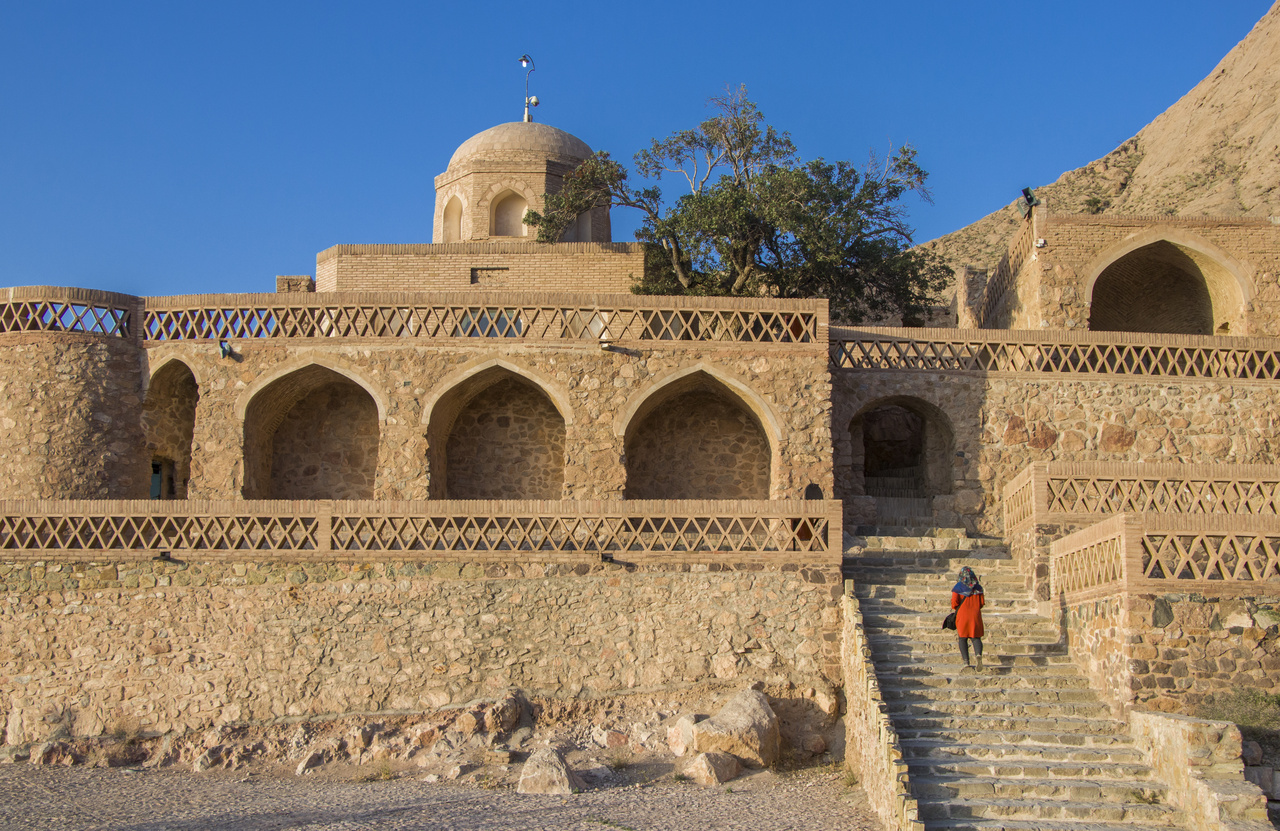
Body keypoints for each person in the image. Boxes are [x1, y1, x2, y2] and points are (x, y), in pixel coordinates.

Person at [951, 566, 985, 670]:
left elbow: (954, 603)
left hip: (962, 615)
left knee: (962, 638)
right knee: (976, 637)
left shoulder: (958, 587)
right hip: (975, 615)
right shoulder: (978, 588)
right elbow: (982, 603)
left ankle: (966, 662)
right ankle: (978, 654)